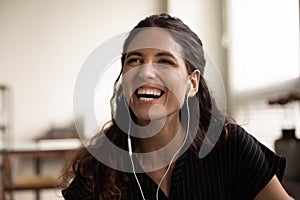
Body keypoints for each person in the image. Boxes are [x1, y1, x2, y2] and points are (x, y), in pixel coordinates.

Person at [61, 13, 291, 200]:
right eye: (134, 60)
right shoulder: (97, 169)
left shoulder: (231, 147)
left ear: (192, 83)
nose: (145, 71)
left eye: (165, 61)